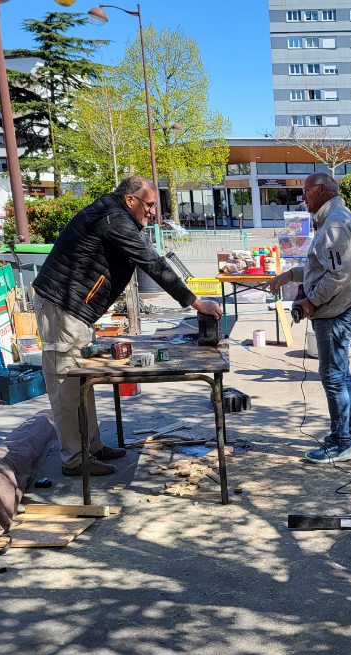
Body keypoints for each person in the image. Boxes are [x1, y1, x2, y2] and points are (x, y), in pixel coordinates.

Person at [31, 175, 223, 477]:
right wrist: (195, 302)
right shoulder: (113, 218)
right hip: (62, 307)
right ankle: (75, 458)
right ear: (130, 199)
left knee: (81, 380)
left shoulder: (116, 215)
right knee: (67, 382)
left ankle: (90, 447)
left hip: (74, 309)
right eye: (148, 205)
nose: (152, 212)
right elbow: (151, 262)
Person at [269, 173, 351, 463]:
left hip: (335, 312)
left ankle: (341, 442)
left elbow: (338, 274)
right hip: (338, 309)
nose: (304, 198)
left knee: (333, 377)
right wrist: (292, 274)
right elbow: (322, 266)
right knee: (341, 374)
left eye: (306, 191)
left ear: (321, 190)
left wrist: (310, 301)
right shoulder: (334, 217)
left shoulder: (335, 223)